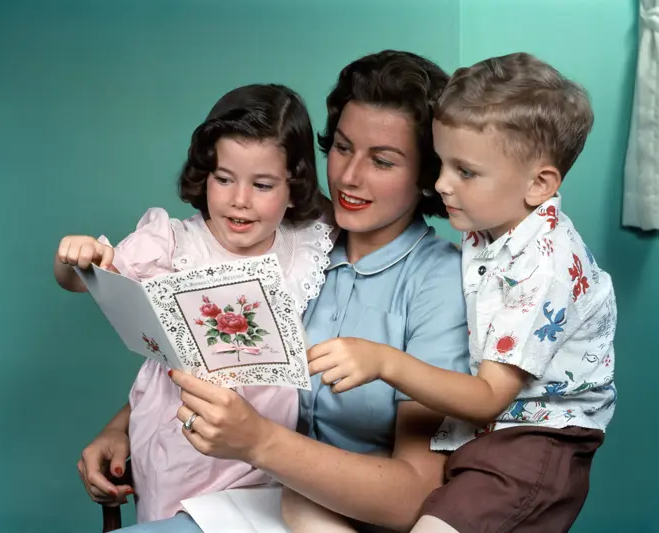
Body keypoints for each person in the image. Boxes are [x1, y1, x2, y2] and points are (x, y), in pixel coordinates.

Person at [309, 52, 618, 533]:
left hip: (535, 444)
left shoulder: (544, 265)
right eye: (442, 164)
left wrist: (384, 361)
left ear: (539, 183)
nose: (441, 184)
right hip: (489, 437)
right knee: (300, 503)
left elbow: (488, 398)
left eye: (464, 172)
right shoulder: (494, 222)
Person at [166, 49, 470, 533]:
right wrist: (121, 427)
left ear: (428, 177)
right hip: (252, 497)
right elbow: (213, 349)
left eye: (383, 161)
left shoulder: (440, 284)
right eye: (344, 148)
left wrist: (260, 441)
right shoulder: (292, 240)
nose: (349, 177)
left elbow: (418, 496)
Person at [54, 84, 334, 526]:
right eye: (224, 179)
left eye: (262, 185)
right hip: (177, 442)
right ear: (205, 175)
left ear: (294, 188)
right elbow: (85, 279)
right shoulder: (170, 244)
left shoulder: (305, 247)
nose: (239, 199)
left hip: (266, 454)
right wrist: (75, 257)